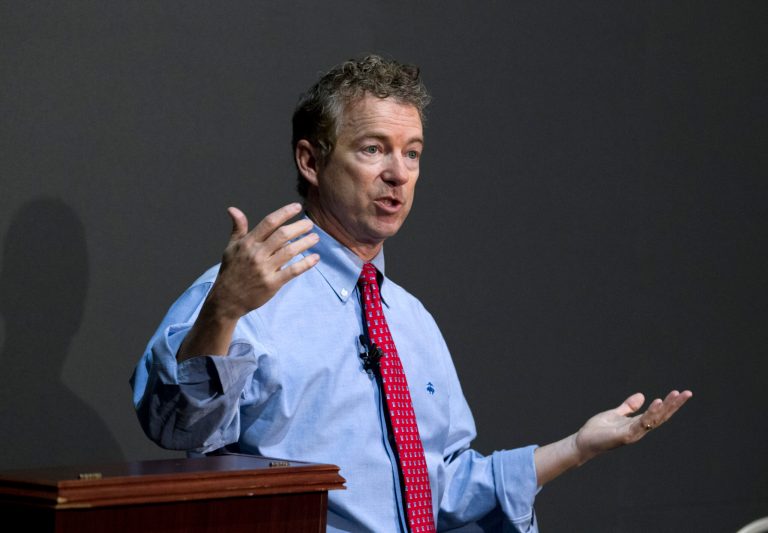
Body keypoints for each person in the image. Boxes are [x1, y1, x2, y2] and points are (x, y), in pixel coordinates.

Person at [130, 54, 692, 532]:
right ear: (311, 161)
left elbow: (442, 487)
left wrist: (578, 447)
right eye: (373, 149)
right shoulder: (244, 297)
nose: (398, 174)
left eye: (412, 152)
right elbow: (176, 427)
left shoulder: (411, 319)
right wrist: (224, 311)